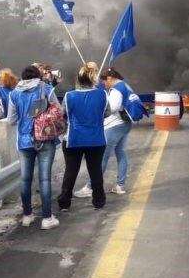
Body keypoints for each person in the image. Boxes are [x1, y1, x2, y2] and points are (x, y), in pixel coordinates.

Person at [7, 66, 60, 230]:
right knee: (44, 179)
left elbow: (11, 120)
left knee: (25, 179)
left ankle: (27, 215)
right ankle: (46, 218)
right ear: (38, 76)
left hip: (24, 141)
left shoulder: (14, 93)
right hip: (45, 139)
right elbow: (60, 110)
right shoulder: (46, 88)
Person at [75, 68, 134, 197]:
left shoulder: (116, 90)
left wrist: (98, 108)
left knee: (101, 157)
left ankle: (91, 187)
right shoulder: (125, 85)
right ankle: (120, 185)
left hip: (114, 125)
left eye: (104, 82)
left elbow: (111, 108)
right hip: (125, 124)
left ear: (109, 78)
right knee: (121, 154)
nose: (104, 85)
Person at [57, 64, 108, 212]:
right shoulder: (102, 94)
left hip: (74, 139)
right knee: (95, 171)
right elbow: (107, 112)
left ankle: (64, 203)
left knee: (71, 171)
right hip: (96, 139)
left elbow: (63, 116)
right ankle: (99, 201)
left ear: (78, 79)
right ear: (93, 79)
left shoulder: (69, 96)